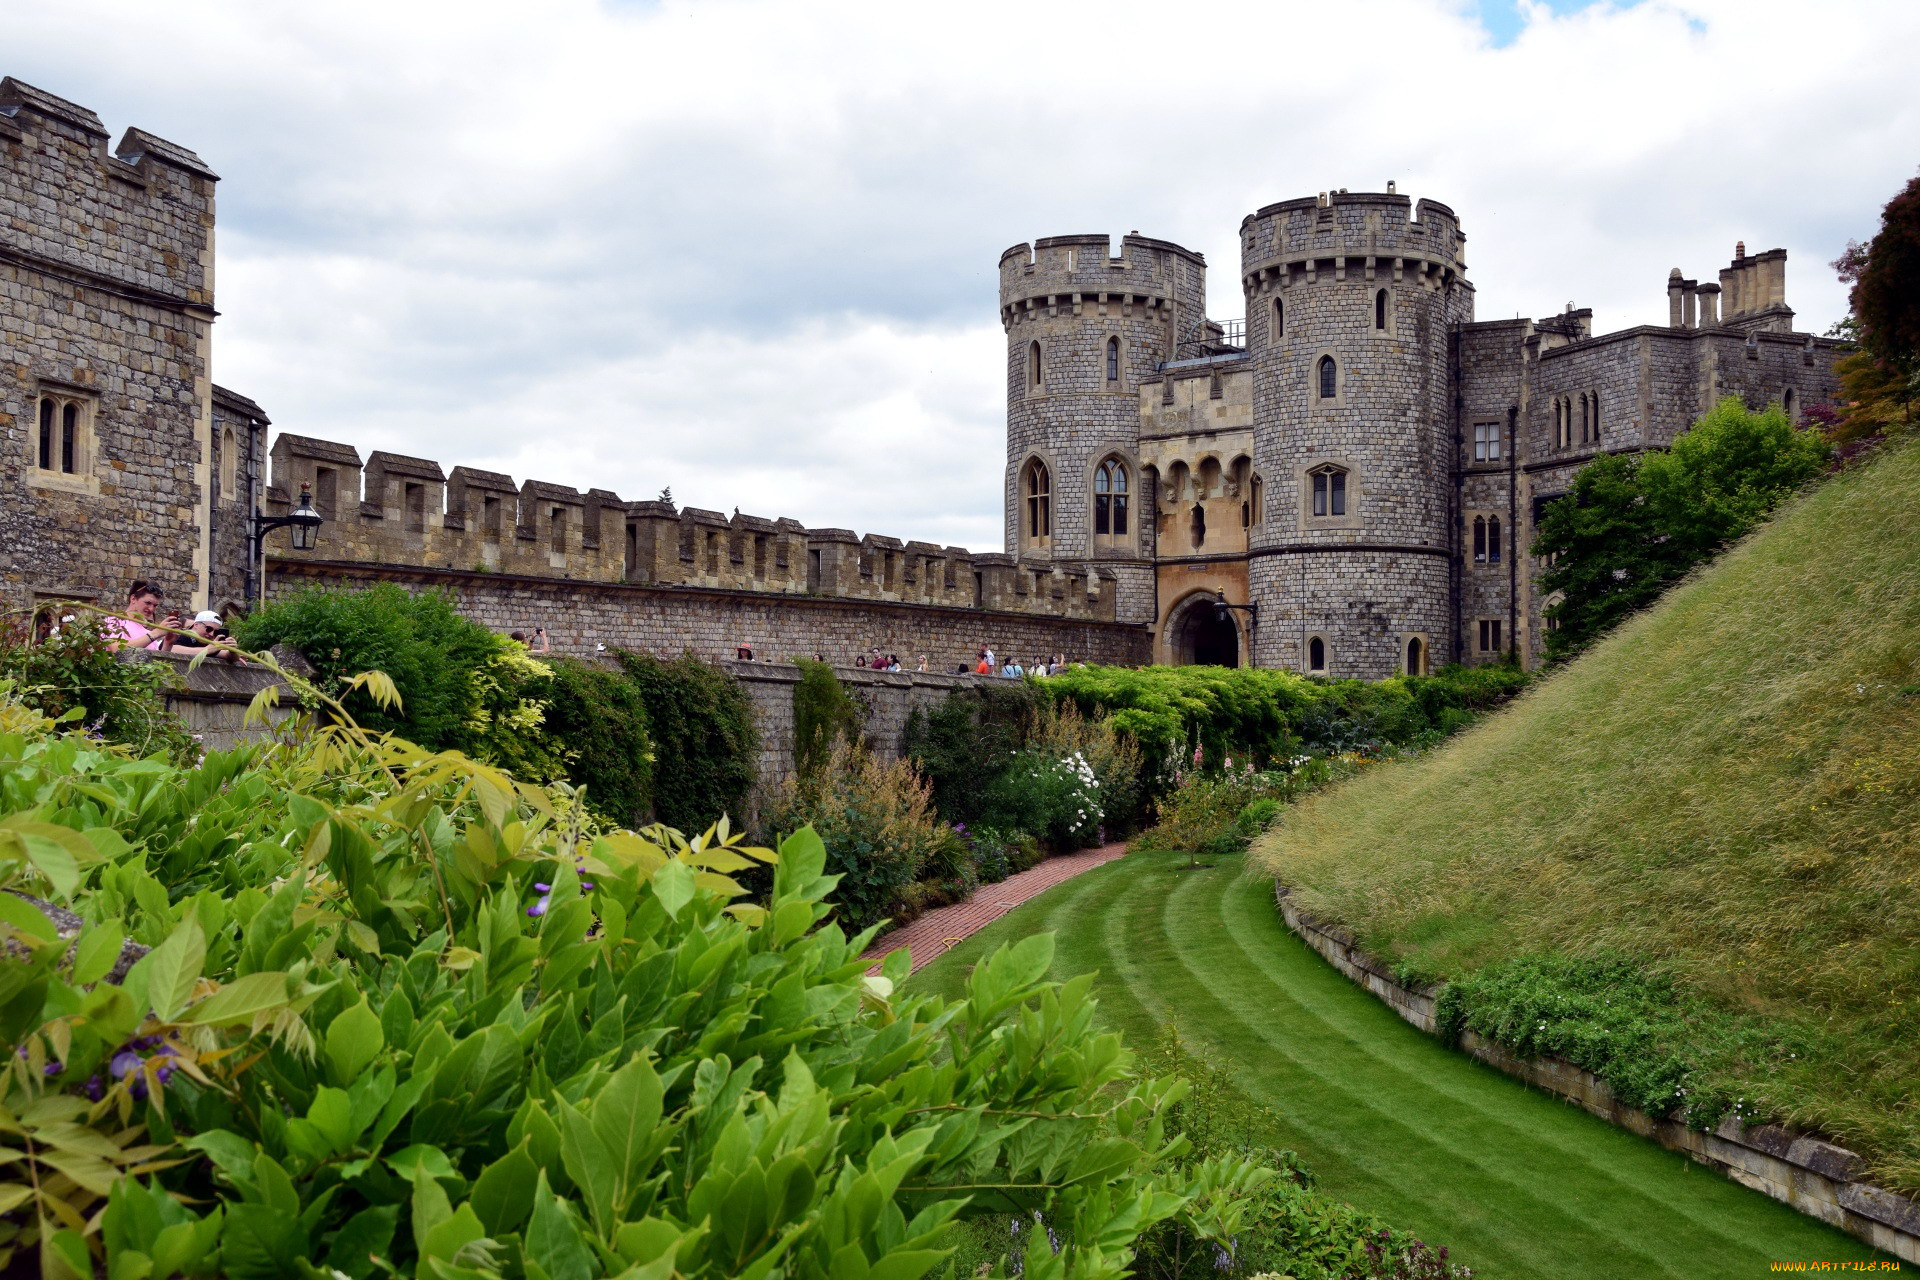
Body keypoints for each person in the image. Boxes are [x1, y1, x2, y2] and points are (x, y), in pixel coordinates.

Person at [106, 581, 177, 651]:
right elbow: (117, 649)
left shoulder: (148, 634)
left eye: (155, 605)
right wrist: (157, 632)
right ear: (133, 598)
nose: (151, 609)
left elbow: (156, 662)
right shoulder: (112, 621)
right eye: (148, 603)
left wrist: (168, 643)